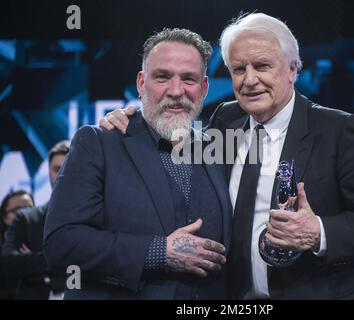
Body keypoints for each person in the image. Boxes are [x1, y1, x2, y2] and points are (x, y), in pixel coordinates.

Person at [101, 13, 354, 299]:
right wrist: (133, 123)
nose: (249, 80)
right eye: (238, 69)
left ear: (292, 69)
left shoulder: (339, 130)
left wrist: (318, 232)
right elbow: (172, 149)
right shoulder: (225, 119)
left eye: (261, 66)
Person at [43, 29, 231, 300]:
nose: (176, 91)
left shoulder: (217, 151)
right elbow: (61, 243)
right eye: (162, 76)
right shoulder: (98, 143)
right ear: (142, 84)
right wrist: (159, 253)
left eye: (188, 79)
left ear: (203, 88)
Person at [1, 140, 69, 299]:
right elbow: (8, 262)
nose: (61, 174)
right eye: (56, 169)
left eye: (68, 167)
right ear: (49, 172)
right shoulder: (26, 218)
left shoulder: (97, 215)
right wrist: (57, 259)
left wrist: (33, 260)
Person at [0, 190, 34, 299]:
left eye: (30, 209)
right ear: (5, 217)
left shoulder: (50, 248)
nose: (25, 214)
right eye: (18, 210)